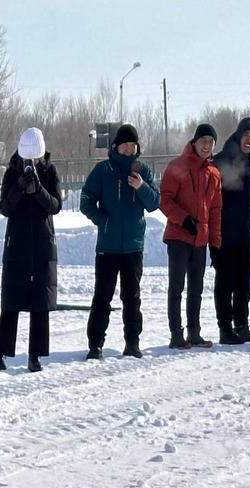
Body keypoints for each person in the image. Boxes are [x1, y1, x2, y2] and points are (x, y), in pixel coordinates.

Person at [79, 123, 160, 359]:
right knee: (102, 296)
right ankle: (95, 345)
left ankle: (132, 343)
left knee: (132, 297)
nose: (128, 149)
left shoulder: (142, 171)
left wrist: (141, 187)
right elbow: (86, 199)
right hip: (107, 247)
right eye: (124, 145)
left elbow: (155, 203)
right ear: (116, 147)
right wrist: (101, 221)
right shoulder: (103, 170)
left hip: (133, 247)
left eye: (132, 145)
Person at [0, 127, 61, 373]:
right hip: (17, 245)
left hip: (42, 245)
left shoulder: (50, 172)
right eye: (27, 159)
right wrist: (19, 187)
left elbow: (55, 206)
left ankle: (35, 356)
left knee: (40, 303)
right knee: (11, 302)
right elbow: (5, 209)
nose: (31, 163)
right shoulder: (11, 174)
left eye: (35, 159)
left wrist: (39, 191)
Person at [160, 122, 223, 349]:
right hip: (178, 236)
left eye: (211, 142)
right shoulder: (178, 166)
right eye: (203, 141)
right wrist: (183, 219)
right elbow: (164, 200)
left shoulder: (214, 174)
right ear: (194, 142)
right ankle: (176, 334)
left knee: (196, 287)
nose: (206, 146)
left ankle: (194, 332)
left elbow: (216, 210)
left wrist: (215, 242)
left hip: (201, 239)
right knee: (176, 286)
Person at [211, 117, 250, 344]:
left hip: (245, 231)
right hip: (224, 231)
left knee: (245, 279)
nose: (249, 140)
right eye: (246, 135)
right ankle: (225, 328)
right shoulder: (221, 160)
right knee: (225, 281)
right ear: (238, 135)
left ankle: (241, 325)